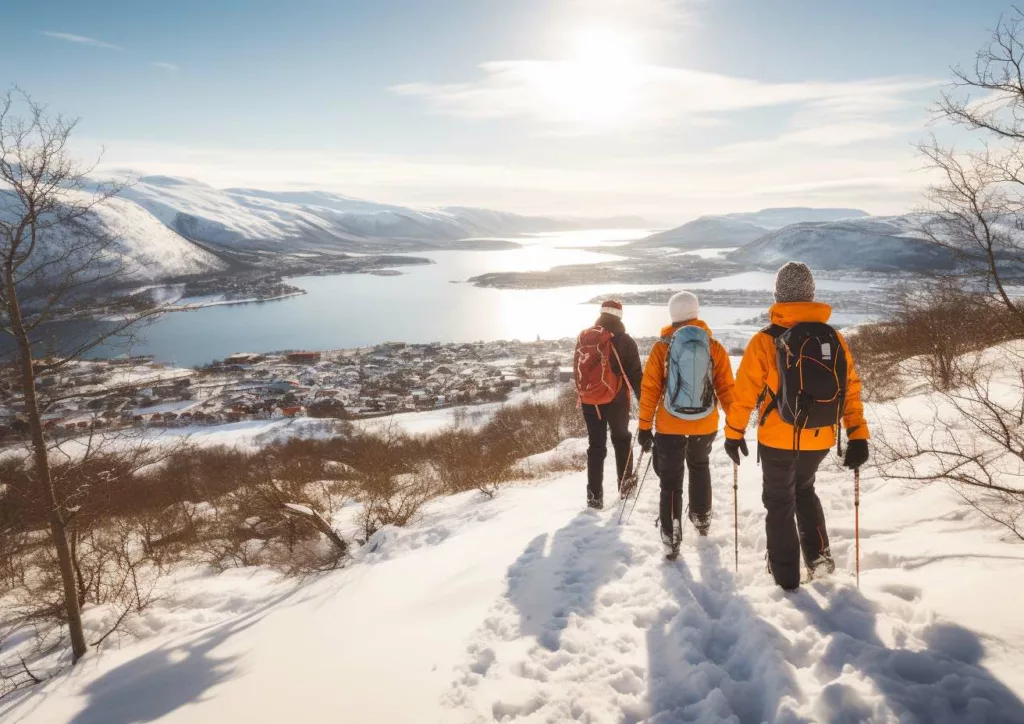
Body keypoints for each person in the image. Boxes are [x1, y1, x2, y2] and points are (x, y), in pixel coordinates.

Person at [723, 262, 870, 590]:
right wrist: (857, 434)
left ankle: (785, 574)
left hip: (778, 437)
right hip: (819, 437)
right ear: (812, 294)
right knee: (804, 490)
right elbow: (850, 390)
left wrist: (733, 435)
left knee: (778, 502)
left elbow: (744, 395)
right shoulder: (833, 339)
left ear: (778, 295)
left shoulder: (765, 341)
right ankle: (819, 558)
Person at [637, 291, 735, 557]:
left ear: (672, 315)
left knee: (670, 481)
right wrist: (735, 427)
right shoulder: (713, 346)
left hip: (670, 424)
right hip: (705, 424)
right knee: (700, 466)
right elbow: (727, 388)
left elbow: (650, 391)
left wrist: (644, 426)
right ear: (696, 312)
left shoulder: (661, 347)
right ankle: (702, 518)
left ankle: (670, 534)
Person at [575, 299, 643, 510]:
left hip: (590, 400)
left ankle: (594, 498)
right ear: (619, 317)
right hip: (616, 399)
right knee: (622, 440)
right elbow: (636, 377)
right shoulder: (625, 341)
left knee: (596, 446)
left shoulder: (585, 337)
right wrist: (647, 405)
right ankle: (626, 489)